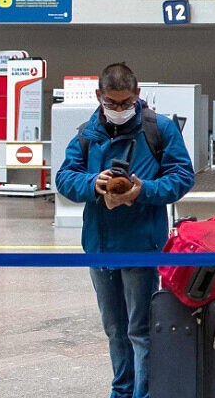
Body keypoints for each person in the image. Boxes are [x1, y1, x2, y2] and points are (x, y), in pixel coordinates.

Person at [55, 63, 194, 398]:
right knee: (115, 328)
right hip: (100, 247)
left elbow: (182, 177)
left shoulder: (159, 129)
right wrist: (93, 183)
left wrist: (143, 191)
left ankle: (143, 394)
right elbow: (63, 178)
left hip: (142, 246)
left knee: (141, 329)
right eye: (112, 102)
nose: (119, 109)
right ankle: (122, 390)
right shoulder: (87, 133)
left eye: (126, 102)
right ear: (99, 96)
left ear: (138, 95)